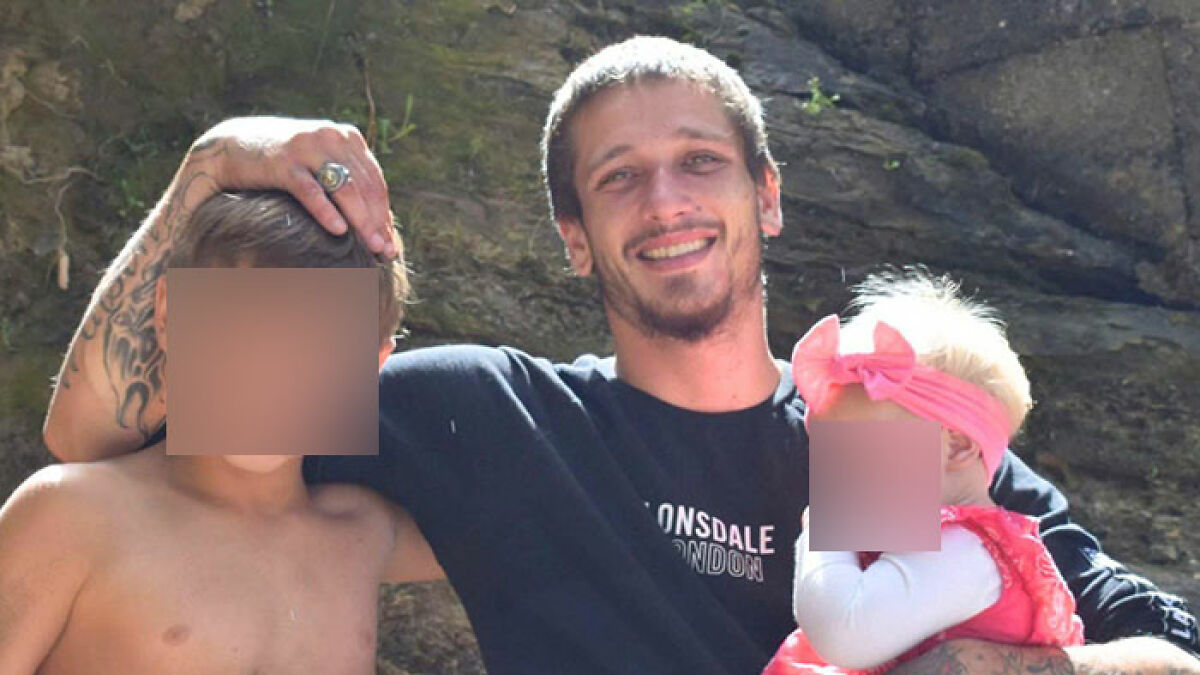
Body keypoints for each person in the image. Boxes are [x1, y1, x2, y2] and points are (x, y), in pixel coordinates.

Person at [42, 36, 1200, 674]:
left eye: (700, 161)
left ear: (768, 195)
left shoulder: (872, 432)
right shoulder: (491, 419)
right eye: (618, 177)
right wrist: (206, 171)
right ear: (573, 239)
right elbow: (105, 439)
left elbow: (1144, 634)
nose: (666, 200)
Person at [0, 191, 442, 674]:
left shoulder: (363, 533)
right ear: (170, 313)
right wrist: (216, 159)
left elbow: (533, 530)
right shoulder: (76, 513)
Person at [763, 271, 1085, 674]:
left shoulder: (969, 552)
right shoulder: (925, 545)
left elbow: (843, 635)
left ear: (958, 447)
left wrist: (821, 533)